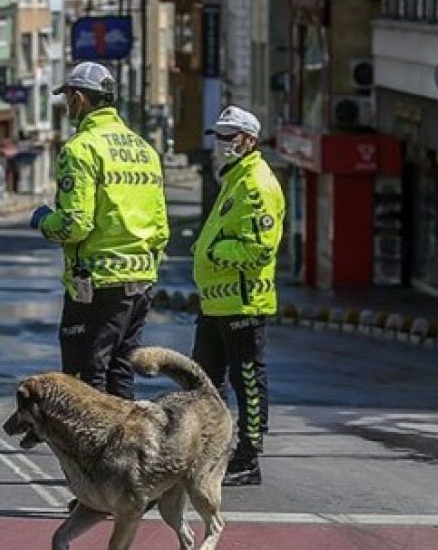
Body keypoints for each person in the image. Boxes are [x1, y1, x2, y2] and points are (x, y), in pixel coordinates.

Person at [30, 61, 169, 400]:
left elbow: (74, 225)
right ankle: (128, 448)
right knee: (121, 370)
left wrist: (43, 221)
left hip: (95, 284)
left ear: (78, 98)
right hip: (140, 282)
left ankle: (94, 450)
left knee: (85, 378)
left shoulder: (81, 149)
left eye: (68, 100)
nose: (67, 107)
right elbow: (161, 228)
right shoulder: (144, 149)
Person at [191, 105, 286, 487]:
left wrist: (214, 253)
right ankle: (209, 451)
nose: (223, 143)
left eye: (231, 136)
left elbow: (260, 249)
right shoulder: (234, 179)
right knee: (204, 380)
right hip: (216, 302)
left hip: (242, 301)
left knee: (246, 379)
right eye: (219, 136)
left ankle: (248, 458)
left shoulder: (256, 184)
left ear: (250, 139)